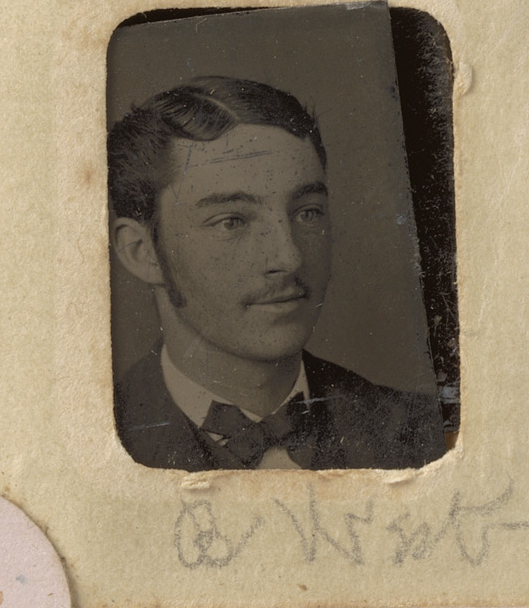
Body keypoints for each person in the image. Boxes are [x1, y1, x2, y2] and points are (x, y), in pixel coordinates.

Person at [107, 75, 448, 471]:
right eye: (231, 222)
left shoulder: (425, 433)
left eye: (307, 213)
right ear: (142, 252)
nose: (289, 257)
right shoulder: (95, 443)